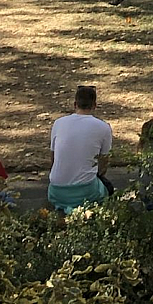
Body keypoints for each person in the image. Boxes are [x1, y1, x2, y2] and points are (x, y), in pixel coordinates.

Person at [48, 84, 113, 212]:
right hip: (86, 191)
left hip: (56, 191)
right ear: (94, 105)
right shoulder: (103, 127)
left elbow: (53, 158)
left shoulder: (58, 123)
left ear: (75, 104)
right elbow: (104, 163)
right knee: (108, 188)